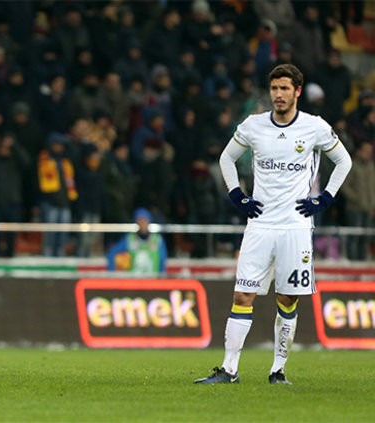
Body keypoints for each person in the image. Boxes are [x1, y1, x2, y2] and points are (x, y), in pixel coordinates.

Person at [194, 64, 352, 385]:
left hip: (295, 227)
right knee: (242, 296)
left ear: (297, 92)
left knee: (287, 300)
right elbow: (226, 159)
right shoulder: (253, 125)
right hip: (260, 225)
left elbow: (344, 160)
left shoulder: (315, 127)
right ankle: (229, 369)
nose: (278, 95)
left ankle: (277, 370)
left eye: (284, 89)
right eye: (274, 89)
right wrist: (237, 195)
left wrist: (325, 199)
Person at [106, 208, 167, 275]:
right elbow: (112, 253)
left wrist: (161, 278)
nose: (142, 223)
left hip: (152, 280)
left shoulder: (157, 239)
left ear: (149, 221)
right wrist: (111, 273)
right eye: (139, 220)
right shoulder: (130, 238)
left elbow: (162, 260)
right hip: (134, 281)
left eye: (144, 220)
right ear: (136, 222)